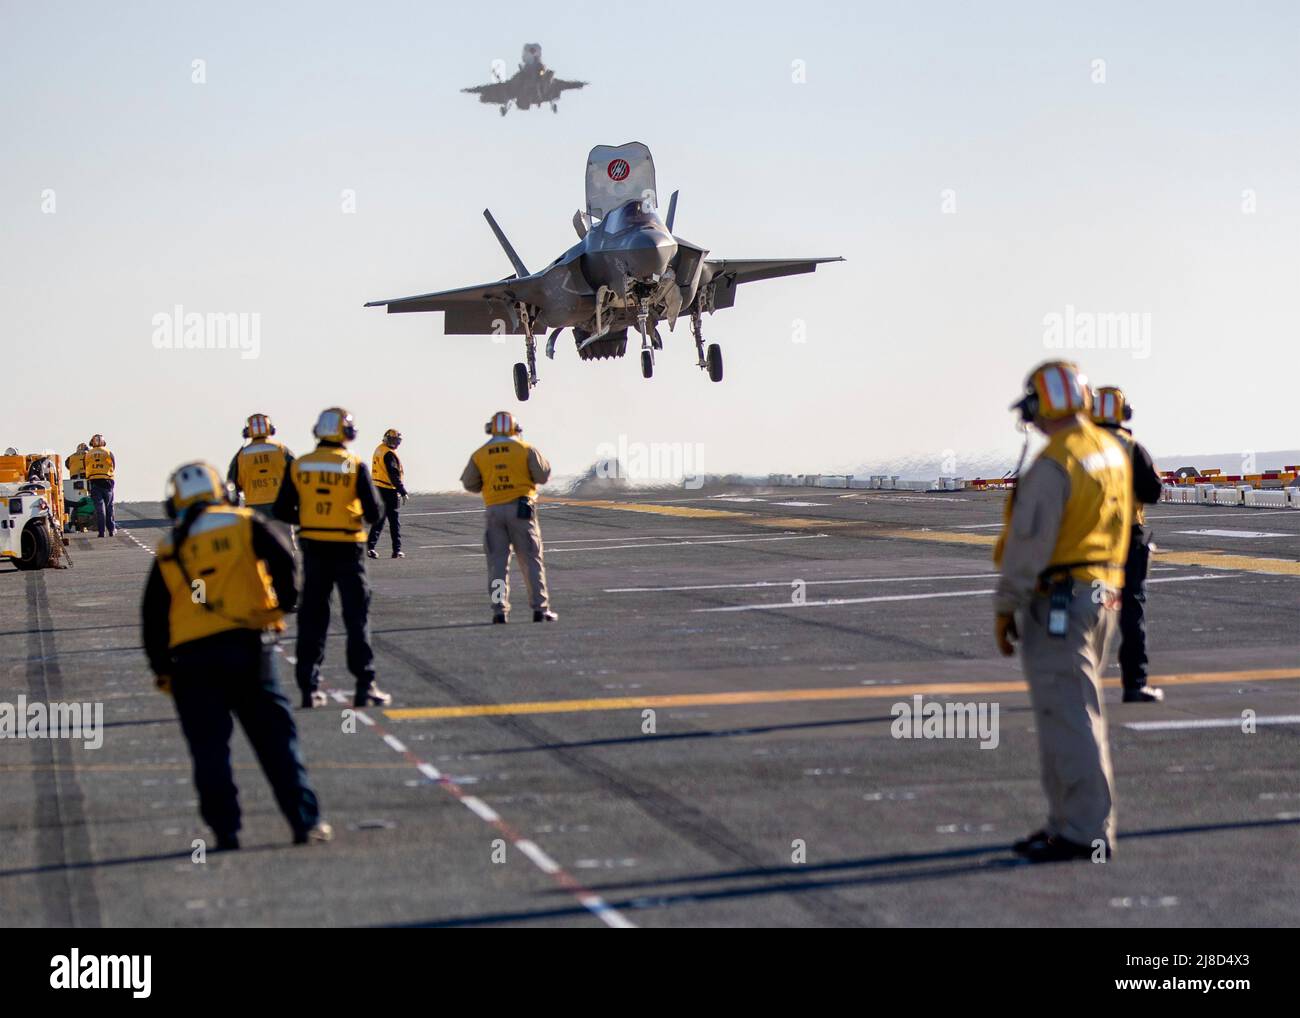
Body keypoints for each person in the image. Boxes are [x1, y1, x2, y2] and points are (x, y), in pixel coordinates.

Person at [142, 461, 331, 850]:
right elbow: (285, 563)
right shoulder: (245, 523)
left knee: (209, 749)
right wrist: (279, 609)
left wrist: (162, 670)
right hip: (249, 648)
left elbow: (153, 617)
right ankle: (304, 821)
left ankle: (225, 831)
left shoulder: (169, 547)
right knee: (276, 740)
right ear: (220, 491)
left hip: (191, 661)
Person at [993, 361, 1132, 863]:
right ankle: (1065, 824)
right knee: (1070, 711)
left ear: (1042, 404)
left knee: (1069, 717)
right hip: (1102, 595)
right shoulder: (1111, 451)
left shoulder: (1057, 461)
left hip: (1060, 599)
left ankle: (1084, 831)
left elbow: (1028, 545)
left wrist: (1006, 605)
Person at [273, 407, 391, 709]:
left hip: (314, 548)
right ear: (347, 434)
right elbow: (375, 512)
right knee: (356, 618)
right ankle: (365, 685)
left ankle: (309, 688)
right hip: (348, 550)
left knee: (312, 618)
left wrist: (309, 515)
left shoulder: (300, 466)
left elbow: (282, 510)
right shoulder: (353, 465)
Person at [1092, 386, 1165, 703]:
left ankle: (1082, 684)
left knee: (1089, 612)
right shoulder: (1132, 448)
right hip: (1127, 536)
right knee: (1131, 611)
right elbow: (1153, 491)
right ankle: (1135, 684)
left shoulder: (1083, 448)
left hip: (1090, 541)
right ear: (1125, 413)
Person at [460, 411, 557, 623]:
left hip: (494, 511)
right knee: (531, 561)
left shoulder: (480, 454)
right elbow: (542, 475)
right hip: (522, 510)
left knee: (497, 565)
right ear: (515, 429)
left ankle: (499, 610)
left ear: (491, 428)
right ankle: (540, 609)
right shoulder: (525, 449)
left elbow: (469, 483)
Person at [228, 413, 294, 517]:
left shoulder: (241, 455)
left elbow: (231, 486)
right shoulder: (281, 450)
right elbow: (297, 475)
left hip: (253, 508)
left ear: (247, 432)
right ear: (271, 429)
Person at [367, 428, 408, 559]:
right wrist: (402, 490)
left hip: (377, 489)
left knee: (379, 520)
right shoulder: (389, 454)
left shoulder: (379, 449)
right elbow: (393, 475)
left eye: (396, 441)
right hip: (388, 490)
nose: (395, 443)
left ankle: (370, 547)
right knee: (394, 522)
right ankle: (397, 550)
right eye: (393, 440)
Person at [84, 434, 117, 537]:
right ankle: (111, 530)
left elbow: (86, 466)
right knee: (109, 508)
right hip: (107, 482)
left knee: (99, 509)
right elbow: (113, 465)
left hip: (94, 482)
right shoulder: (108, 452)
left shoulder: (88, 453)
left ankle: (101, 532)